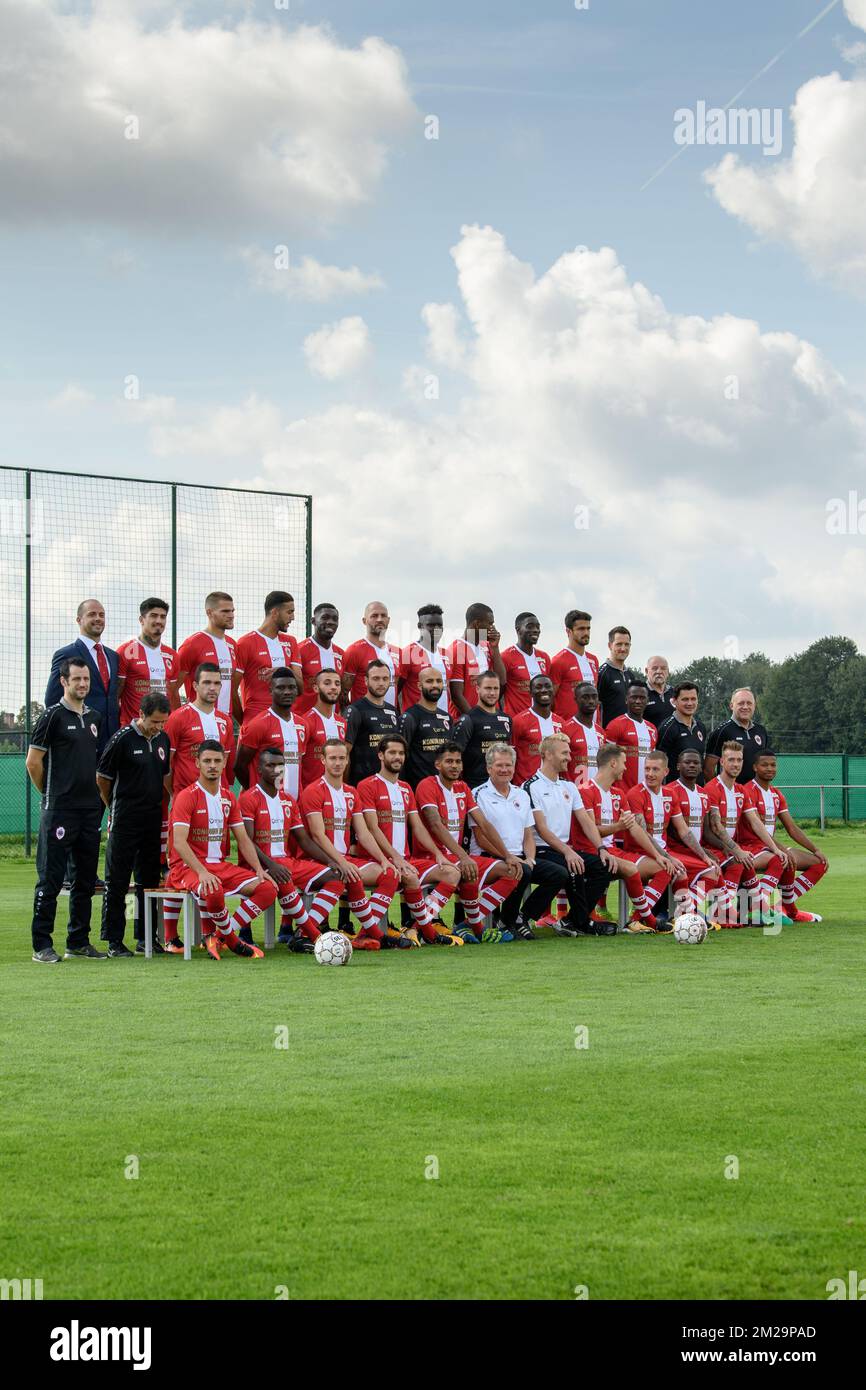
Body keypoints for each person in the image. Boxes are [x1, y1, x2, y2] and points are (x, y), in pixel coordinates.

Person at [27, 657, 106, 962]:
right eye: (77, 679)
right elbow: (33, 763)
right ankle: (42, 945)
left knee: (85, 881)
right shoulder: (51, 717)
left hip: (89, 812)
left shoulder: (95, 717)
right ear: (64, 682)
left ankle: (78, 941)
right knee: (50, 879)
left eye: (86, 679)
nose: (83, 684)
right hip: (59, 811)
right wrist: (51, 795)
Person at [165, 741, 274, 959]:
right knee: (212, 889)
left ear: (224, 763)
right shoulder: (187, 796)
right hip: (187, 867)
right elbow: (179, 842)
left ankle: (219, 935)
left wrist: (257, 869)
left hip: (219, 865)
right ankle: (233, 941)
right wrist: (202, 872)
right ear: (197, 763)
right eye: (207, 761)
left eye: (217, 761)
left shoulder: (228, 797)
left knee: (268, 888)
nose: (212, 765)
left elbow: (242, 838)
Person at [357, 735, 464, 946]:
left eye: (401, 753)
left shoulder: (406, 788)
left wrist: (437, 854)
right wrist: (394, 857)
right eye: (392, 753)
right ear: (380, 755)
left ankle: (416, 929)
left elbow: (417, 826)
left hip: (407, 859)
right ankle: (372, 932)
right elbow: (372, 827)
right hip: (376, 860)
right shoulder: (367, 785)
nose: (397, 757)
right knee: (409, 878)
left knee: (452, 872)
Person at [238, 747, 345, 950]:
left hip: (287, 863)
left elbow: (304, 840)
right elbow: (247, 841)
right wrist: (271, 864)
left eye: (280, 765)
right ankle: (314, 936)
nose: (276, 770)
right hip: (258, 865)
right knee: (284, 877)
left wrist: (330, 861)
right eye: (270, 765)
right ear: (259, 769)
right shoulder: (248, 798)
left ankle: (302, 932)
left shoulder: (288, 800)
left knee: (336, 876)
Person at [299, 740, 400, 949]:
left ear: (347, 761)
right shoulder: (313, 791)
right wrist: (340, 862)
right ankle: (305, 933)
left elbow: (363, 832)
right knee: (344, 875)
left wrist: (384, 860)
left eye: (342, 758)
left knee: (390, 874)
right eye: (333, 758)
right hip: (319, 860)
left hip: (345, 859)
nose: (337, 763)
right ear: (323, 760)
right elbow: (318, 835)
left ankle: (364, 935)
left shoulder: (351, 793)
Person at [162, 663, 236, 952]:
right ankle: (170, 937)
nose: (213, 688)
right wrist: (180, 795)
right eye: (207, 682)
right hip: (185, 805)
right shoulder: (179, 718)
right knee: (178, 867)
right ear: (194, 685)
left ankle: (209, 934)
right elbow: (166, 767)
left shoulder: (225, 721)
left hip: (217, 808)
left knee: (209, 865)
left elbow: (226, 766)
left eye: (217, 683)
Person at [416, 743, 522, 943]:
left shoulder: (463, 788)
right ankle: (420, 928)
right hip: (431, 857)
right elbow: (436, 825)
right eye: (449, 761)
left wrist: (507, 855)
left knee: (513, 870)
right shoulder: (427, 785)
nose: (454, 766)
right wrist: (463, 857)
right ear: (438, 764)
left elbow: (484, 823)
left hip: (455, 857)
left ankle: (466, 925)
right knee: (463, 869)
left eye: (458, 761)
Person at [97, 692, 172, 956]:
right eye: (154, 721)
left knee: (148, 882)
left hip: (152, 820)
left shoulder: (163, 739)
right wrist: (115, 807)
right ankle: (114, 941)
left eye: (163, 722)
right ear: (141, 714)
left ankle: (146, 938)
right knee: (117, 880)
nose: (159, 727)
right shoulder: (121, 739)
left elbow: (164, 778)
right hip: (124, 819)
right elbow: (102, 779)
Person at [572, 744, 675, 933]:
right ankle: (649, 921)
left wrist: (658, 855)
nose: (626, 768)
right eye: (623, 763)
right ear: (613, 763)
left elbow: (634, 828)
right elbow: (590, 830)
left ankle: (635, 919)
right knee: (630, 868)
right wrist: (618, 827)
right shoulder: (585, 790)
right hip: (591, 852)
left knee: (664, 868)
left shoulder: (618, 793)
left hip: (614, 852)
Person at [522, 734, 612, 936]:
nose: (569, 758)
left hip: (563, 850)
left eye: (569, 753)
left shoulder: (569, 787)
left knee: (603, 866)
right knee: (570, 866)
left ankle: (571, 920)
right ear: (547, 754)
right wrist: (568, 852)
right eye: (564, 753)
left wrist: (602, 848)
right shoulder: (530, 786)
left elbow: (586, 822)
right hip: (541, 850)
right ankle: (581, 922)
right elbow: (542, 829)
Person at [745, 751, 829, 923]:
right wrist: (782, 849)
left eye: (773, 765)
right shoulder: (747, 791)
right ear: (755, 767)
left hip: (770, 848)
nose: (769, 768)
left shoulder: (776, 794)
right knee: (783, 858)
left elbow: (792, 827)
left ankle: (784, 907)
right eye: (764, 765)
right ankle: (762, 908)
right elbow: (756, 829)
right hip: (751, 846)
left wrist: (816, 849)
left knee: (819, 863)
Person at [471, 745, 539, 940]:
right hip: (489, 856)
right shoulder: (478, 794)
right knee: (520, 870)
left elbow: (528, 834)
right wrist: (508, 857)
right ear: (488, 768)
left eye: (508, 765)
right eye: (499, 765)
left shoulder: (522, 794)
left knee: (558, 874)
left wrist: (531, 859)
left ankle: (521, 918)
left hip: (518, 856)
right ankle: (506, 923)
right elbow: (481, 838)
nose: (504, 770)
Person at [46, 598, 119, 755]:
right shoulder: (65, 654)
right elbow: (52, 699)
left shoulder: (113, 656)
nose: (98, 618)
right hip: (80, 742)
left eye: (102, 615)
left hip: (111, 742)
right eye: (92, 614)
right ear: (79, 620)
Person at [703, 742, 765, 926]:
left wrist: (775, 848)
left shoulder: (741, 790)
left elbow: (756, 822)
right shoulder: (712, 788)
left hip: (727, 847)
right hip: (711, 846)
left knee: (750, 862)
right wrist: (736, 849)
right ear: (722, 761)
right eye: (731, 760)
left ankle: (762, 909)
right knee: (739, 861)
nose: (735, 764)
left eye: (739, 760)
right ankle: (724, 913)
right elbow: (715, 828)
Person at [235, 668, 309, 800]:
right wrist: (258, 792)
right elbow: (239, 766)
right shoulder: (258, 724)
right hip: (265, 804)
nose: (287, 692)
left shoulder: (303, 725)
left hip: (295, 805)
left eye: (291, 687)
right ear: (270, 691)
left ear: (296, 691)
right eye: (280, 688)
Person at [665, 750, 724, 915]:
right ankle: (686, 913)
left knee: (717, 867)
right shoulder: (670, 790)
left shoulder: (704, 794)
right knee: (711, 871)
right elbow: (672, 830)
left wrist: (726, 848)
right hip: (676, 849)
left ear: (700, 768)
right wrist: (701, 852)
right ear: (678, 766)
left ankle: (698, 912)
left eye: (696, 763)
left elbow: (706, 831)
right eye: (687, 762)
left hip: (695, 849)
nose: (691, 765)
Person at [234, 591, 303, 722]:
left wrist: (284, 672)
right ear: (275, 612)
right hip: (255, 720)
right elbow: (232, 690)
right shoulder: (245, 643)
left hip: (285, 721)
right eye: (289, 612)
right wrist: (244, 722)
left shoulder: (291, 642)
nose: (293, 617)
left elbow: (300, 689)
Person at [116, 598, 180, 727]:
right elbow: (116, 694)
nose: (159, 621)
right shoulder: (126, 651)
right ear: (141, 620)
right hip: (134, 729)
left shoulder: (172, 655)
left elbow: (173, 695)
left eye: (163, 617)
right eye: (153, 616)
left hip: (162, 730)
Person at [176, 592, 238, 719]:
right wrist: (178, 718)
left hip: (225, 721)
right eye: (225, 611)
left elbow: (231, 688)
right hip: (197, 720)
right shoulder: (192, 644)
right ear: (209, 613)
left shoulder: (233, 644)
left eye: (232, 611)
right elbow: (173, 687)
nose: (231, 615)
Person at [451, 670, 512, 788]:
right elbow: (454, 756)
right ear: (477, 689)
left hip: (501, 786)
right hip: (475, 786)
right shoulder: (468, 719)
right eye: (488, 688)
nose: (492, 693)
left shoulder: (506, 719)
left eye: (496, 688)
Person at [344, 659, 400, 784]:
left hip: (389, 784)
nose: (381, 683)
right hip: (361, 783)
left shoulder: (394, 711)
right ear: (366, 680)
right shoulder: (355, 710)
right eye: (376, 678)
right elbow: (345, 753)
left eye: (385, 679)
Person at [446, 603, 506, 717]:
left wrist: (495, 648)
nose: (493, 628)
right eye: (490, 623)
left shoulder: (487, 646)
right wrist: (476, 720)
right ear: (477, 624)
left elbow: (502, 681)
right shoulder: (457, 650)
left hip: (490, 717)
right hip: (468, 723)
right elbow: (456, 695)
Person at [704, 688, 772, 785]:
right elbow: (708, 770)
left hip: (755, 795)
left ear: (754, 706)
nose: (745, 707)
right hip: (731, 795)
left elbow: (763, 764)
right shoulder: (722, 731)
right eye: (741, 703)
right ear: (732, 705)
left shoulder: (761, 731)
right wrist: (720, 791)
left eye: (749, 703)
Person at [399, 668, 453, 787]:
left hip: (443, 789)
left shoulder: (447, 718)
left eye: (439, 681)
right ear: (419, 685)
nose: (435, 685)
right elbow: (400, 757)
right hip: (417, 788)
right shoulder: (410, 717)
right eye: (429, 681)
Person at [341, 601, 400, 705]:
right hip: (363, 717)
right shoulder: (354, 651)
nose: (379, 619)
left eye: (383, 616)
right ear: (364, 621)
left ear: (388, 620)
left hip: (391, 717)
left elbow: (398, 690)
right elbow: (343, 692)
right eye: (374, 616)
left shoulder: (398, 652)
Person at [603, 680, 658, 790]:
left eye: (642, 698)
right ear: (626, 699)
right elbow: (606, 760)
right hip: (622, 791)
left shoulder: (652, 729)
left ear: (647, 700)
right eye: (634, 697)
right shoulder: (615, 725)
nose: (638, 701)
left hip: (646, 792)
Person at [397, 603, 452, 713]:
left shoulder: (447, 655)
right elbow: (396, 690)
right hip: (417, 722)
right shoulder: (408, 653)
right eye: (431, 625)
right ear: (420, 626)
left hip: (444, 721)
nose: (436, 629)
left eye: (439, 625)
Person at [511, 674, 563, 784]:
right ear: (530, 693)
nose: (544, 690)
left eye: (547, 686)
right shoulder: (519, 721)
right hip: (526, 787)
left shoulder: (561, 723)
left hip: (554, 788)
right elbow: (511, 756)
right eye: (538, 687)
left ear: (553, 690)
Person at [299, 669, 347, 788]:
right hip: (310, 793)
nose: (333, 687)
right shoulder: (304, 722)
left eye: (337, 683)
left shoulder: (342, 722)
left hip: (336, 795)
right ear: (316, 688)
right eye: (327, 683)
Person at [295, 603, 345, 715]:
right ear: (313, 621)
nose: (331, 622)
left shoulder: (341, 654)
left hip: (332, 723)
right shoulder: (299, 650)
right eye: (324, 617)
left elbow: (342, 693)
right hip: (303, 721)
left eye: (335, 619)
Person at [500, 612, 551, 719]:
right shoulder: (506, 657)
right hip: (516, 721)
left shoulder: (544, 657)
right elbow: (499, 692)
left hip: (540, 721)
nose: (536, 630)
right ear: (518, 630)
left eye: (538, 627)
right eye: (530, 626)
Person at [550, 610, 600, 719]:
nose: (586, 632)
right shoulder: (558, 661)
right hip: (567, 728)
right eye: (581, 629)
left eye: (588, 628)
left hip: (592, 728)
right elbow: (549, 698)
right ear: (568, 631)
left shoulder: (593, 660)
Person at [656, 682, 708, 784]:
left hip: (698, 791)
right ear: (675, 701)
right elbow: (659, 763)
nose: (689, 703)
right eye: (685, 699)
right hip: (675, 793)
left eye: (693, 699)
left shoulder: (700, 727)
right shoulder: (667, 728)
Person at [561, 681, 606, 786]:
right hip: (573, 792)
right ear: (576, 700)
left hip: (596, 793)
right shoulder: (565, 729)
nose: (591, 701)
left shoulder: (601, 732)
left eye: (594, 697)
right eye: (585, 697)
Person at [596, 626, 637, 726]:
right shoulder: (602, 673)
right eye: (619, 644)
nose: (623, 648)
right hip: (609, 736)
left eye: (626, 644)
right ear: (610, 645)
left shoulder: (630, 675)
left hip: (629, 733)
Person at [643, 655, 674, 729]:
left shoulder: (675, 693)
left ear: (668, 671)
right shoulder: (640, 693)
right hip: (649, 739)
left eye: (663, 668)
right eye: (654, 668)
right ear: (646, 671)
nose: (659, 671)